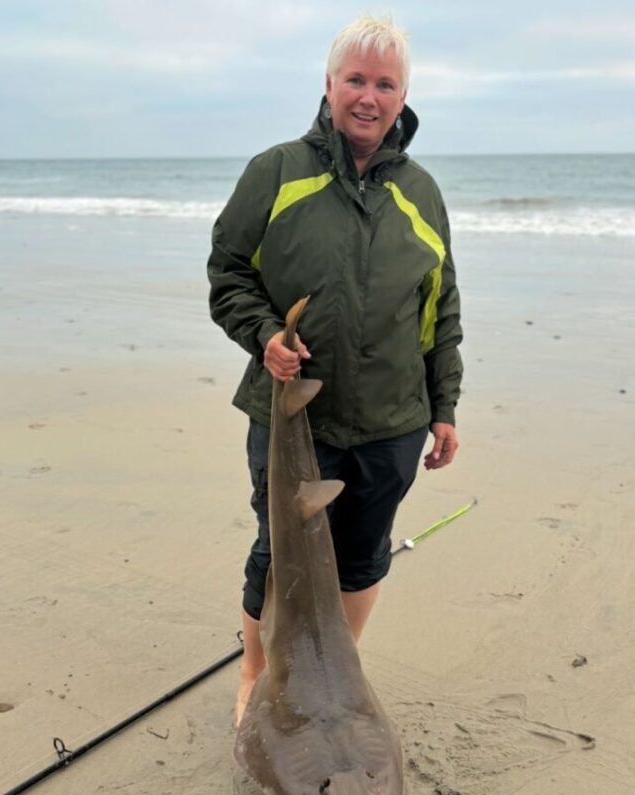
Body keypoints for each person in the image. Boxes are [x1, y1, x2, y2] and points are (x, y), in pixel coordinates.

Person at [207, 15, 464, 726]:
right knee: (278, 552)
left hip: (392, 421)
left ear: (403, 94)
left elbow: (440, 308)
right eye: (356, 79)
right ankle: (256, 673)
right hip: (294, 415)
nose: (368, 96)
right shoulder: (276, 172)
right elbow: (227, 273)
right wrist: (264, 336)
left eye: (385, 84)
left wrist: (444, 406)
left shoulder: (422, 191)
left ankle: (332, 674)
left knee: (361, 553)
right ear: (329, 85)